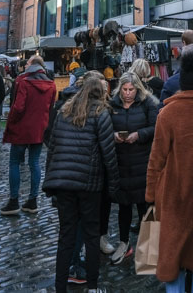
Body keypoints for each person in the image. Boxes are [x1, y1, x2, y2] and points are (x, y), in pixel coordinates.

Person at [147, 49, 193, 292]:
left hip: (174, 194)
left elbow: (156, 159)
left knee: (173, 259)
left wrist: (150, 195)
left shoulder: (168, 113)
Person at [43, 74, 121, 293]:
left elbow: (53, 148)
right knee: (91, 235)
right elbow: (108, 152)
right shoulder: (100, 113)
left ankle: (60, 287)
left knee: (66, 237)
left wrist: (50, 180)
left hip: (64, 183)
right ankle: (94, 286)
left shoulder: (64, 112)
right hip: (88, 183)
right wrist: (114, 185)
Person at [104, 71, 159, 264]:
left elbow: (156, 127)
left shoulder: (148, 104)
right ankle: (124, 242)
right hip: (121, 163)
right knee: (124, 206)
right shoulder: (112, 105)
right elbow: (105, 127)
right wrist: (114, 136)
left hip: (142, 162)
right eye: (125, 90)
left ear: (137, 88)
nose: (127, 93)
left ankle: (150, 246)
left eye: (131, 90)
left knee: (145, 205)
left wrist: (140, 135)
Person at [1, 55, 57, 215]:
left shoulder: (24, 82)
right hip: (39, 129)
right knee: (34, 163)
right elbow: (50, 108)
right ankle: (33, 200)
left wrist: (12, 122)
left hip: (21, 128)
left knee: (15, 163)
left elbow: (18, 107)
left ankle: (14, 201)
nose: (25, 66)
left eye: (27, 63)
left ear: (32, 65)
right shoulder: (51, 85)